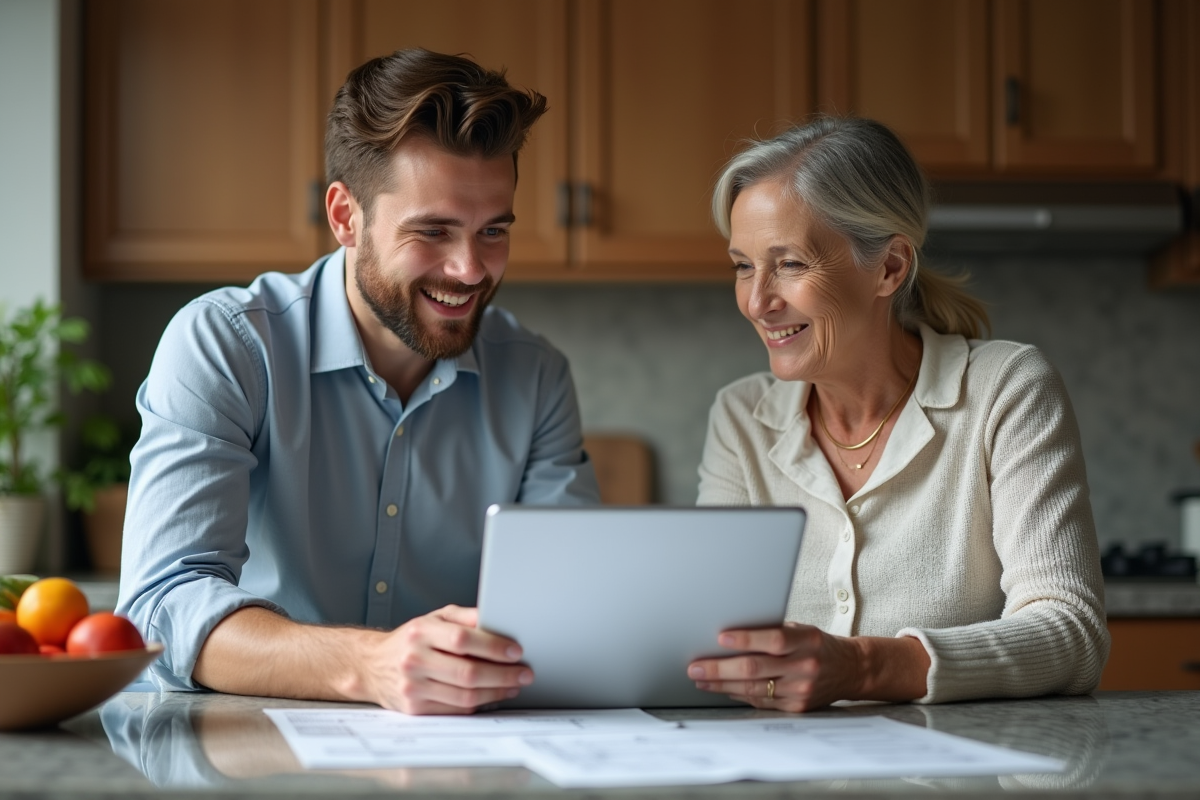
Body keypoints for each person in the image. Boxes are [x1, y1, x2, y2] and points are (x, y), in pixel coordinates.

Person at [117, 49, 600, 714]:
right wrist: (368, 664)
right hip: (245, 752)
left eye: (493, 231)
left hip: (463, 753)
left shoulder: (536, 375)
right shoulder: (226, 345)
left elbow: (573, 605)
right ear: (346, 217)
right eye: (432, 232)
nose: (469, 269)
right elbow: (160, 608)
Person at [687, 117, 1109, 711]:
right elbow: (705, 629)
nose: (758, 302)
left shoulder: (1005, 389)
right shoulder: (742, 418)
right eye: (743, 266)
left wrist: (861, 667)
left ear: (889, 267)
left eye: (789, 264)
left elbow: (1071, 633)